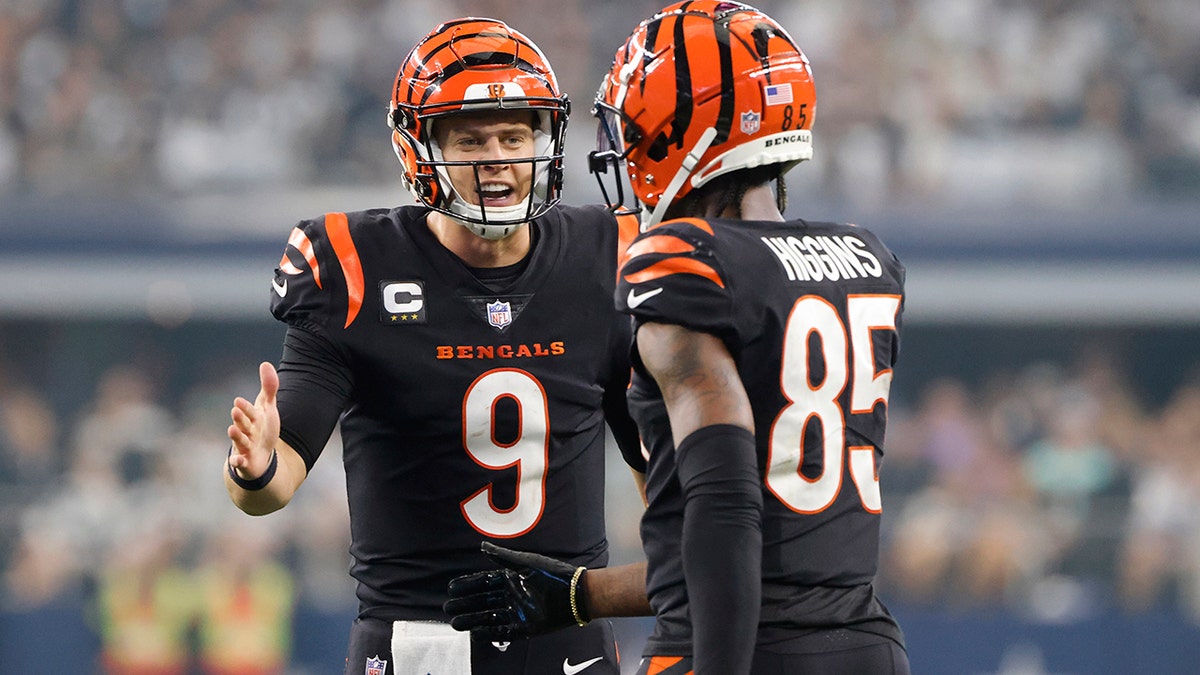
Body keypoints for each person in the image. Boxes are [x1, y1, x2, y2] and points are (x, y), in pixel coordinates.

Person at [445, 3, 910, 673]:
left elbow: (726, 510)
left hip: (737, 649)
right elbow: (779, 545)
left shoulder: (687, 260)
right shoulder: (862, 257)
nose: (625, 150)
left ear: (683, 131)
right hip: (866, 646)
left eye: (635, 127)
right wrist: (583, 594)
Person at [224, 17, 646, 675]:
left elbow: (663, 482)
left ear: (548, 139)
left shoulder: (603, 257)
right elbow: (273, 482)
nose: (499, 157)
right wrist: (252, 466)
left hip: (567, 642)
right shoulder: (354, 268)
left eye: (514, 135)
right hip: (419, 643)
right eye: (472, 140)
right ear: (421, 150)